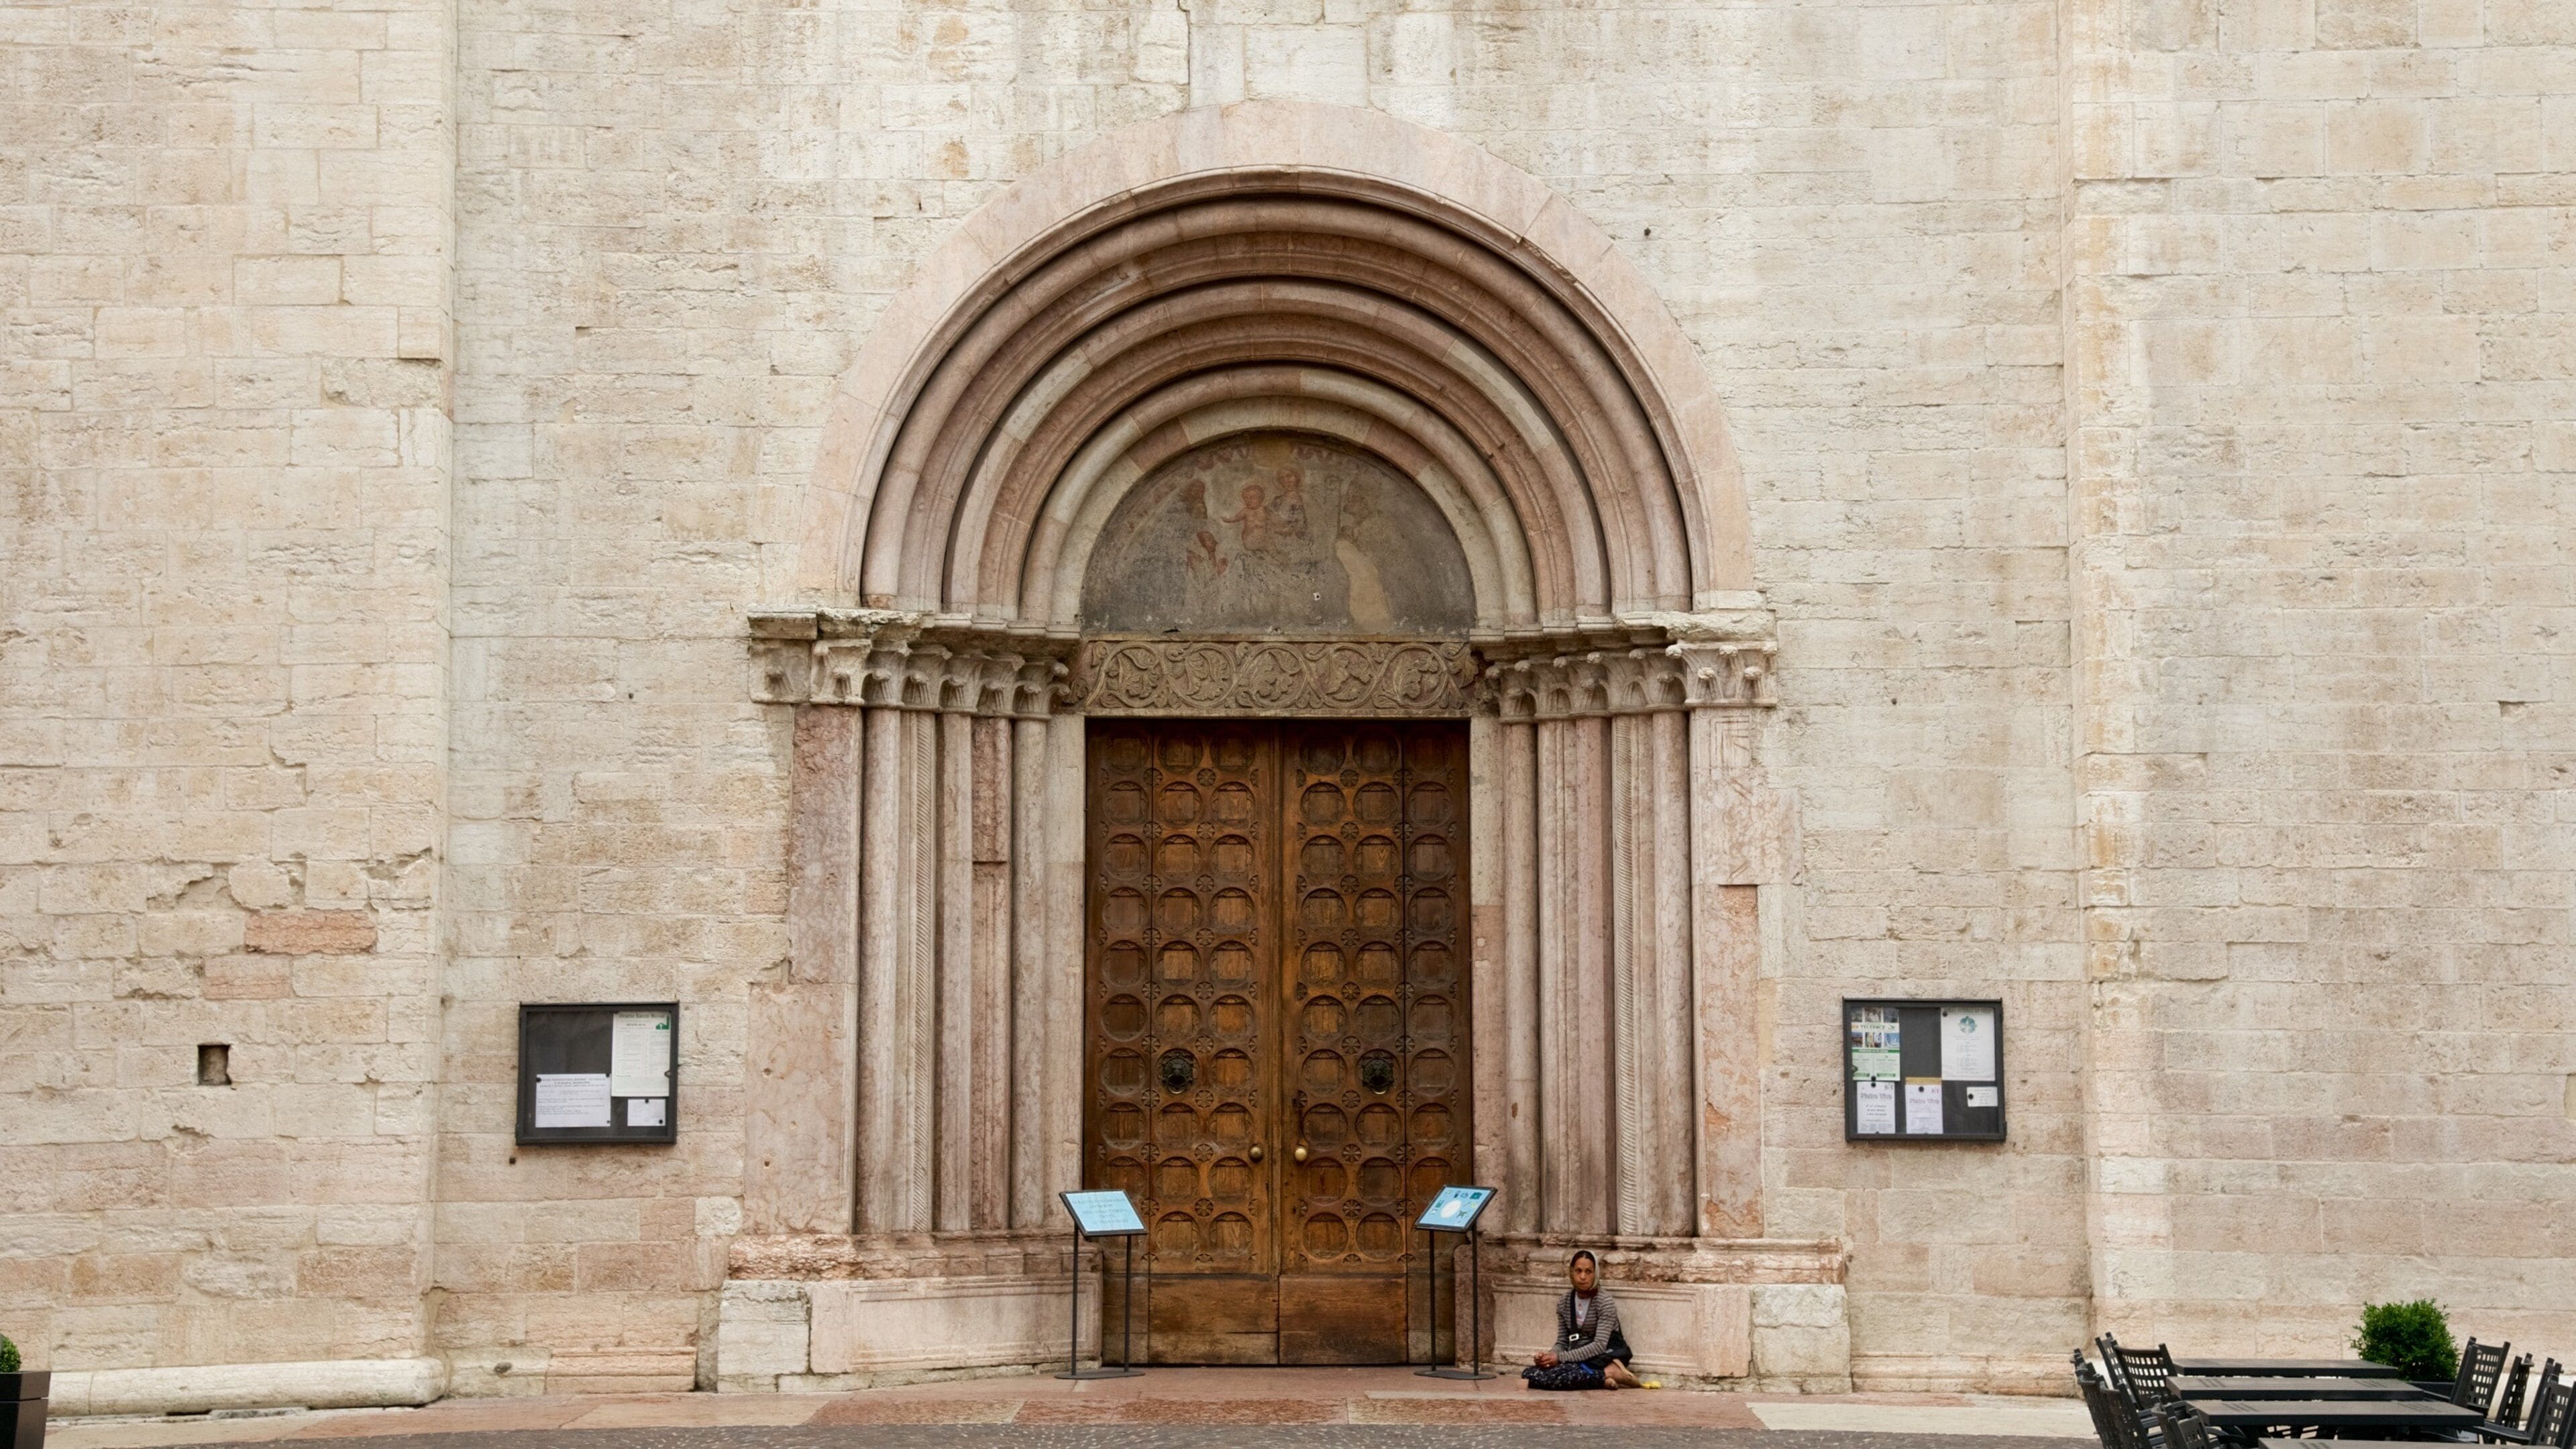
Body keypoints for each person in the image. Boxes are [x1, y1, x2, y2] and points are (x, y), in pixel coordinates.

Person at [1520, 1249, 1643, 1390]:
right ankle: (1602, 1379)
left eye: (1588, 1272)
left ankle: (1612, 1372)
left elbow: (1599, 1345)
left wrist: (1560, 1358)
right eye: (1578, 1271)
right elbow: (1563, 1341)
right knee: (1529, 1374)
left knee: (1565, 1378)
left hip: (1600, 1358)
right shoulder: (1564, 1302)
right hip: (1575, 1359)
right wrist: (1549, 1356)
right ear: (1571, 1272)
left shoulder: (1604, 1302)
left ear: (1596, 1273)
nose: (1583, 1277)